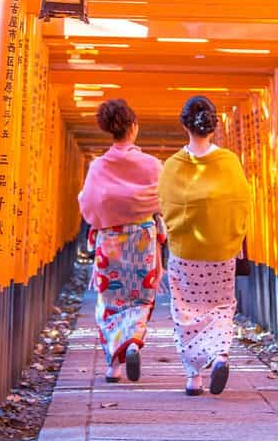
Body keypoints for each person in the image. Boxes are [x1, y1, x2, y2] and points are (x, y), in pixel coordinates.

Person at [158, 95, 251, 396]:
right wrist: (233, 238)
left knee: (185, 310)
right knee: (221, 307)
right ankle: (220, 355)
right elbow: (242, 203)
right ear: (213, 125)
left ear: (184, 124)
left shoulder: (173, 166)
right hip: (221, 251)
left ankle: (193, 377)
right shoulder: (229, 162)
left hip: (186, 253)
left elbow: (165, 205)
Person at [78, 99, 166, 383]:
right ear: (134, 127)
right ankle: (133, 339)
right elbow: (164, 199)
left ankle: (112, 366)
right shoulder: (152, 165)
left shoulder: (98, 166)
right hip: (143, 239)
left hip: (110, 240)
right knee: (142, 297)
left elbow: (88, 204)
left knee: (110, 300)